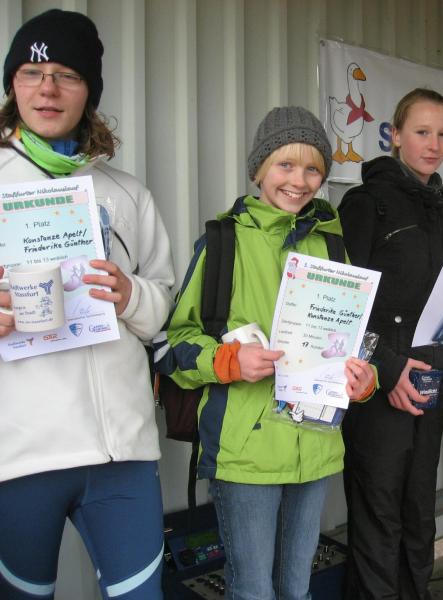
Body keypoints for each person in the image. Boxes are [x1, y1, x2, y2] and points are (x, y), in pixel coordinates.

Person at [163, 106, 376, 600]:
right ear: (258, 168)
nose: (299, 181)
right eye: (285, 164)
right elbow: (173, 345)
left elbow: (351, 341)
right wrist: (229, 361)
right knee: (254, 590)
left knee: (297, 589)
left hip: (315, 446)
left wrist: (366, 381)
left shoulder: (333, 246)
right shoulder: (222, 243)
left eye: (313, 169)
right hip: (246, 454)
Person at [0, 9, 175, 600]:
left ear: (90, 92)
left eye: (67, 74)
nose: (47, 88)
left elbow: (164, 305)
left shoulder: (127, 193)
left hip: (122, 455)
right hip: (20, 455)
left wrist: (131, 294)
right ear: (13, 86)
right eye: (32, 72)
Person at [338, 88, 443, 600]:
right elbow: (344, 303)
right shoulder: (365, 202)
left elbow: (441, 295)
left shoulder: (440, 205)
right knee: (378, 514)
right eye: (422, 132)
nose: (434, 144)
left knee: (418, 513)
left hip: (428, 379)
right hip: (379, 385)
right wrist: (386, 369)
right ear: (396, 134)